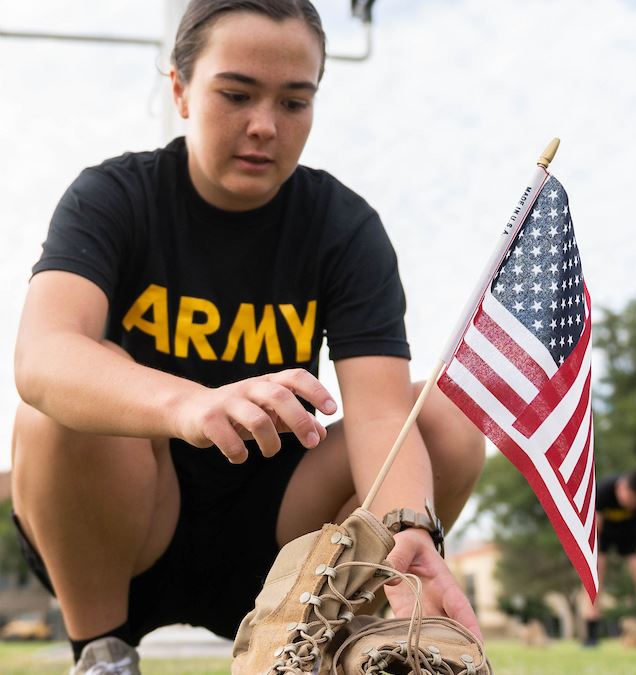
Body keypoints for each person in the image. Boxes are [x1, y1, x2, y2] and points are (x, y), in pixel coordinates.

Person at [9, 1, 485, 672]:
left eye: (295, 102)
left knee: (445, 416)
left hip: (283, 532)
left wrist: (406, 528)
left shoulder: (343, 227)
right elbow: (42, 356)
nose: (264, 125)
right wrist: (191, 404)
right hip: (132, 519)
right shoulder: (112, 197)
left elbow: (381, 411)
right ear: (178, 89)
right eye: (236, 94)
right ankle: (102, 653)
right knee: (58, 405)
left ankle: (319, 646)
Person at [583, 470, 636, 646]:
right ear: (621, 487)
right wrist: (590, 563)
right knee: (594, 576)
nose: (632, 504)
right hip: (602, 533)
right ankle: (591, 632)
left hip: (631, 532)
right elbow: (593, 531)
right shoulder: (602, 491)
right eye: (631, 499)